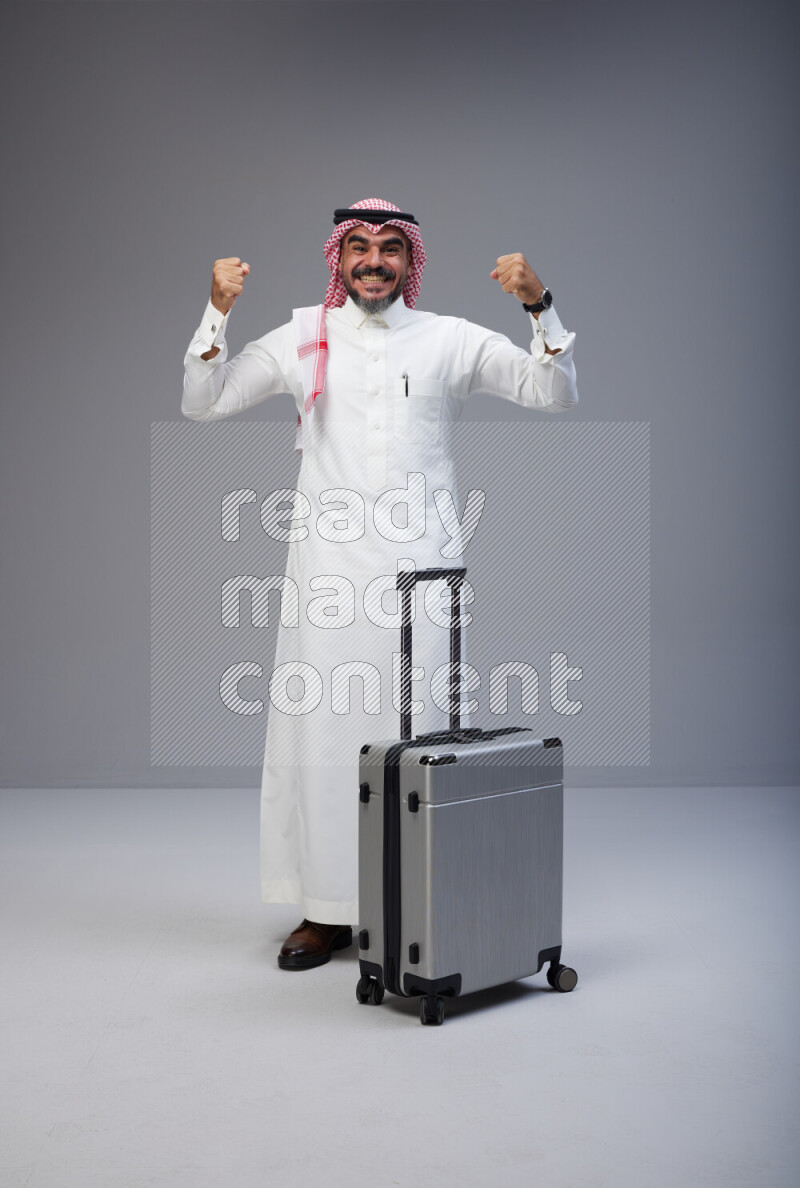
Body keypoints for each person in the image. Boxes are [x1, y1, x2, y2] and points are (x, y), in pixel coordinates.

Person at [182, 198, 578, 970]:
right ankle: (326, 912)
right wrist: (216, 313)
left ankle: (416, 900)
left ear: (410, 261)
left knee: (419, 733)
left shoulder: (448, 340)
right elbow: (204, 402)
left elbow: (553, 392)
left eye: (390, 248)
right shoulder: (304, 336)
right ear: (338, 257)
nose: (373, 260)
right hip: (326, 576)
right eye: (358, 246)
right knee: (326, 740)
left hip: (421, 577)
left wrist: (540, 305)